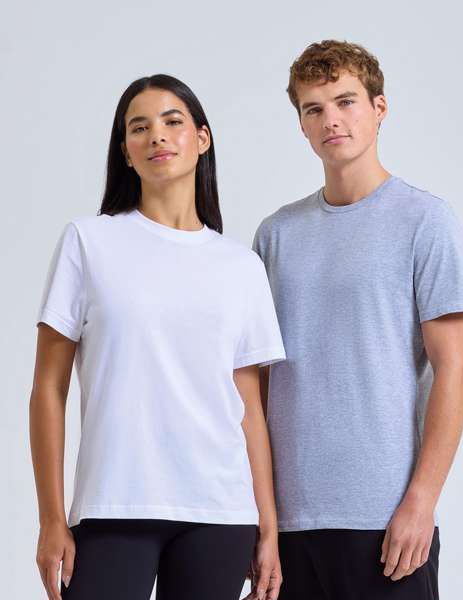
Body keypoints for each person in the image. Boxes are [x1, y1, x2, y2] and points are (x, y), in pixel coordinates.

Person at [29, 74, 286, 600]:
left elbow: (249, 408)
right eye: (139, 128)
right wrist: (51, 518)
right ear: (125, 151)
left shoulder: (241, 266)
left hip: (220, 510)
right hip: (113, 503)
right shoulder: (89, 243)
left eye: (172, 122)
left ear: (202, 138)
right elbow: (48, 389)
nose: (157, 137)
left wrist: (268, 527)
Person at [250, 40, 463, 600]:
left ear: (379, 108)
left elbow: (456, 370)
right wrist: (262, 517)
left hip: (386, 519)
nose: (331, 120)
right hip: (291, 523)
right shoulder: (275, 235)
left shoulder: (426, 222)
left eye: (346, 101)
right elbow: (257, 383)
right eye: (314, 108)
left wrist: (421, 501)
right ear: (302, 126)